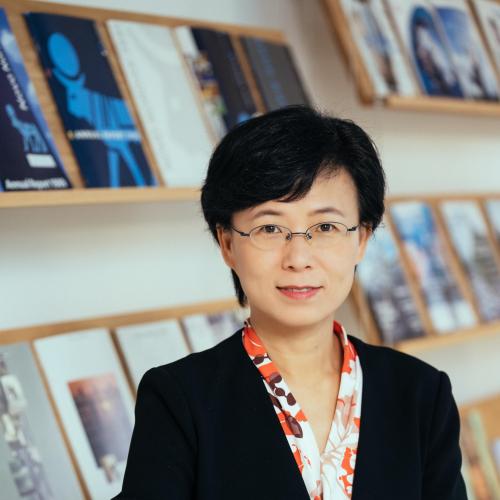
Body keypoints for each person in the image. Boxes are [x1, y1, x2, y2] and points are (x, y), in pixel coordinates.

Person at [113, 106, 466, 499]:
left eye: (326, 226)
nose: (299, 258)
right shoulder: (178, 400)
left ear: (362, 238)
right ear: (227, 244)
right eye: (270, 228)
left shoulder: (421, 393)